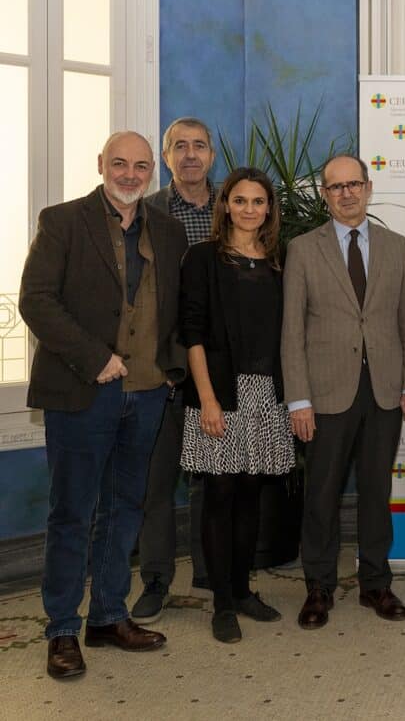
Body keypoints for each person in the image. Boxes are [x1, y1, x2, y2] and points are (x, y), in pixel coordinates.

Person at [20, 131, 187, 679]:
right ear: (101, 165)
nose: (131, 174)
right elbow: (37, 301)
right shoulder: (63, 221)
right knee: (72, 513)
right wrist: (95, 357)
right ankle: (63, 629)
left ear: (152, 171)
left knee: (125, 511)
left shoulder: (167, 230)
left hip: (145, 396)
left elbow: (178, 308)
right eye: (120, 163)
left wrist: (170, 372)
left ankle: (109, 616)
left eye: (140, 165)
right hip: (81, 391)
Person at [282, 154, 405, 626]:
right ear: (324, 194)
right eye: (335, 186)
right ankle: (318, 587)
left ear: (368, 186)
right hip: (324, 396)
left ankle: (376, 585)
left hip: (384, 392)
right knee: (320, 494)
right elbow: (292, 331)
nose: (346, 193)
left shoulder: (395, 245)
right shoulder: (304, 249)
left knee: (375, 492)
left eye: (354, 184)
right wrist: (299, 399)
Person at [179, 167, 294, 643]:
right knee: (219, 494)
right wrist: (208, 399)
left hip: (266, 393)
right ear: (225, 205)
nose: (250, 209)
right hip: (219, 394)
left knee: (251, 494)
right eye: (240, 200)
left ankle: (245, 590)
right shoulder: (203, 258)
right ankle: (222, 602)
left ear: (269, 209)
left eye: (258, 201)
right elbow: (192, 332)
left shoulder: (279, 260)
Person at [133, 116, 217, 623]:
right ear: (166, 158)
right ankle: (157, 581)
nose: (190, 155)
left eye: (199, 146)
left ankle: (211, 571)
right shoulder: (144, 213)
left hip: (218, 371)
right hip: (162, 371)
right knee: (156, 484)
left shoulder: (238, 208)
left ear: (212, 155)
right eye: (179, 147)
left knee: (213, 478)